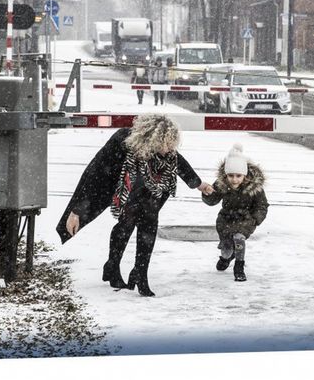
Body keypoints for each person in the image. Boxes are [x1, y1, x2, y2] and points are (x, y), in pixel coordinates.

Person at [56, 114, 214, 297]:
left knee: (149, 225)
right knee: (126, 224)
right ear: (152, 140)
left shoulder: (167, 152)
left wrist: (199, 185)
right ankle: (112, 266)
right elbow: (94, 174)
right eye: (167, 143)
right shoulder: (122, 141)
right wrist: (77, 211)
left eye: (173, 143)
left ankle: (140, 273)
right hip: (126, 189)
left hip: (151, 193)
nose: (171, 148)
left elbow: (180, 164)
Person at [201, 144, 269, 282]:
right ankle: (226, 257)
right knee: (226, 248)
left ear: (244, 175)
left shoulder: (254, 187)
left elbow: (261, 205)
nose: (234, 179)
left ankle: (239, 267)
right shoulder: (222, 184)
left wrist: (255, 219)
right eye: (231, 175)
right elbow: (213, 200)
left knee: (239, 239)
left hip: (245, 219)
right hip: (225, 219)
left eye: (238, 176)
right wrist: (207, 194)